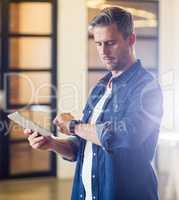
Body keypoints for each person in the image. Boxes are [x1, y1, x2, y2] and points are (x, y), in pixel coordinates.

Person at [24, 6, 163, 200]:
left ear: (131, 39)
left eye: (110, 43)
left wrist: (73, 126)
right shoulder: (100, 87)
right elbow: (83, 145)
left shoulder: (147, 87)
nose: (103, 51)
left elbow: (126, 136)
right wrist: (52, 143)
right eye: (98, 44)